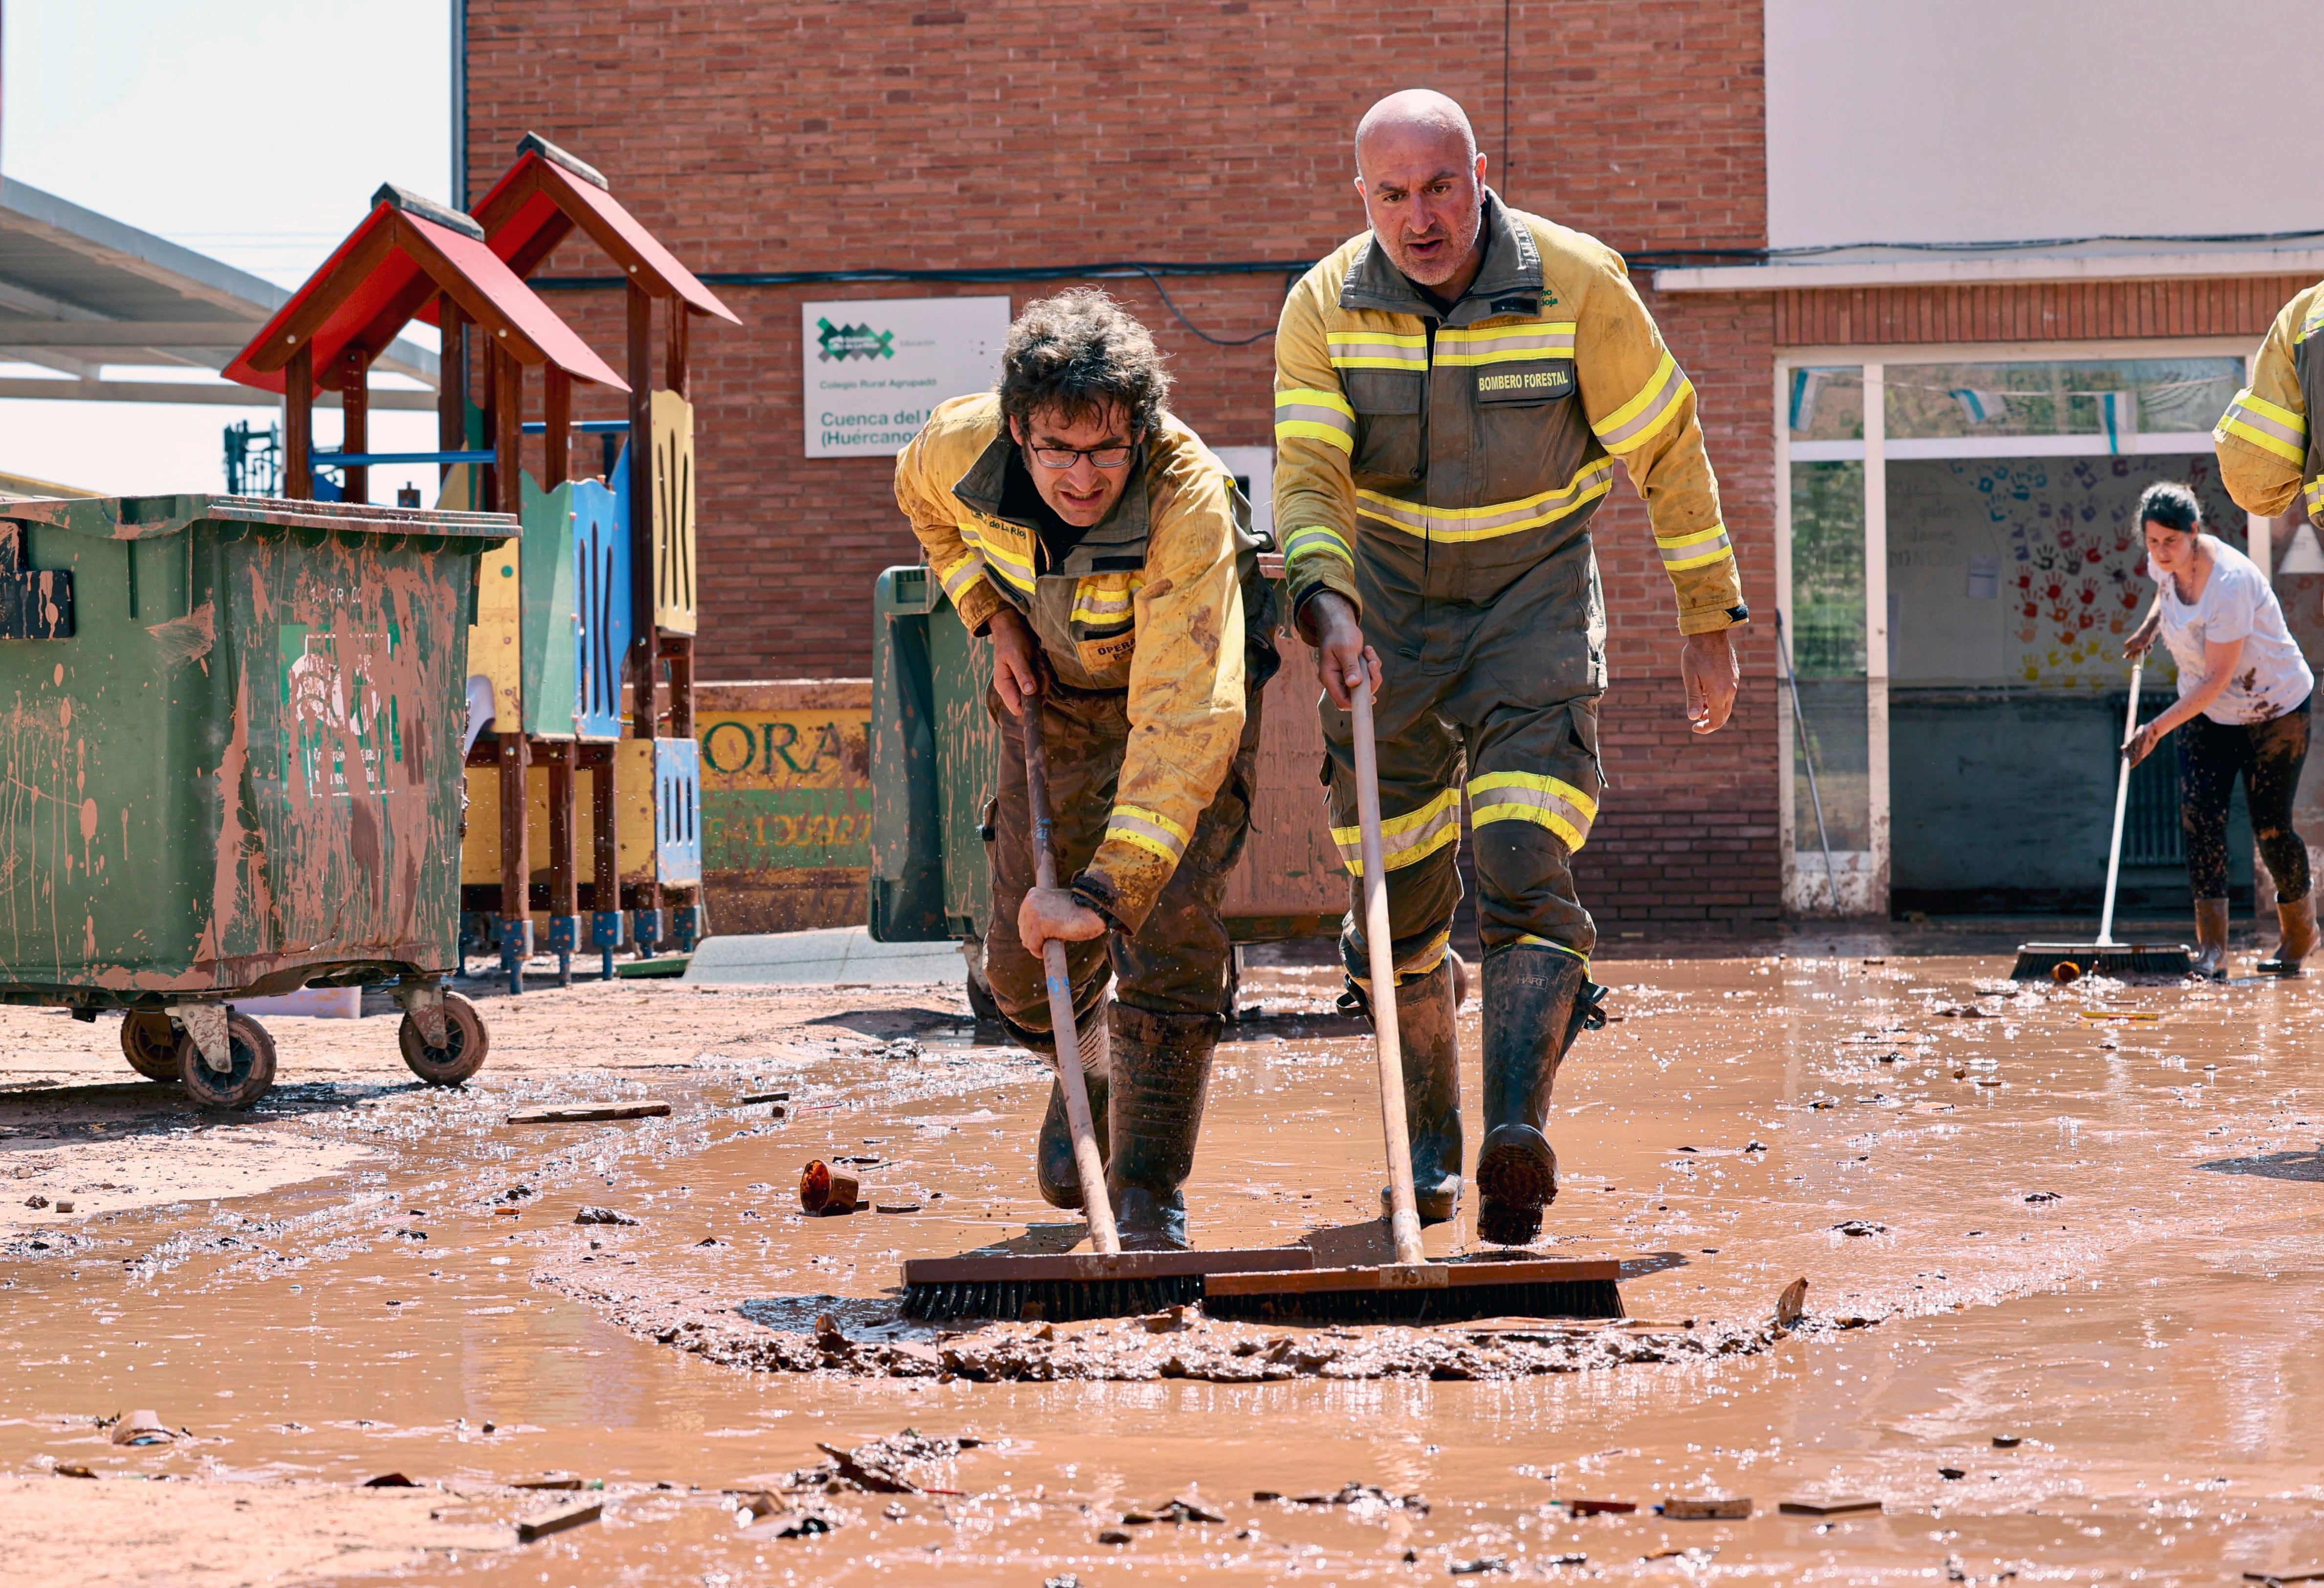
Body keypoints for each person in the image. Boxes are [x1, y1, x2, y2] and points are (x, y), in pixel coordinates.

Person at [1272, 89, 1745, 1247]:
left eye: (1441, 187)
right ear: (1362, 197)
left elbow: (1667, 446)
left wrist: (1706, 619)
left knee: (1526, 852)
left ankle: (1512, 1138)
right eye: (1393, 195)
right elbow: (1309, 480)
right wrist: (1325, 608)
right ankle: (1428, 1147)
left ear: (1482, 173)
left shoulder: (1578, 286)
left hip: (1531, 601)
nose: (1421, 218)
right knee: (1400, 899)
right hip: (1382, 615)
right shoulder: (1321, 308)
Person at [893, 289, 1276, 1250]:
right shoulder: (955, 450)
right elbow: (924, 511)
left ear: (1138, 433)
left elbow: (1187, 711)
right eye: (1057, 449)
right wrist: (990, 614)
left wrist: (1110, 892)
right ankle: (1096, 1064)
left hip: (1179, 700)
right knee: (1028, 972)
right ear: (1018, 427)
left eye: (1107, 450)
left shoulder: (1185, 496)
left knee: (1174, 933)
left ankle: (1150, 1192)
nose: (1082, 476)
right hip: (1056, 704)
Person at [2122, 482, 2314, 978]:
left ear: (2193, 531)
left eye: (2169, 541)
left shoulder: (2228, 582)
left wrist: (2155, 728)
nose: (2160, 552)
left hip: (2273, 709)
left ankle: (2299, 932)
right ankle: (2212, 950)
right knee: (2198, 817)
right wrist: (2148, 628)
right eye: (2152, 542)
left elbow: (2215, 679)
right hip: (2209, 715)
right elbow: (2164, 593)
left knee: (2270, 828)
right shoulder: (2161, 563)